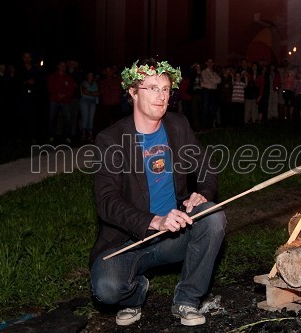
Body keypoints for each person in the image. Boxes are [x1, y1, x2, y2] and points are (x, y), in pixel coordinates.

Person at [89, 58, 226, 327]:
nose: (161, 96)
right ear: (132, 92)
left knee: (213, 216)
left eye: (165, 89)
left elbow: (205, 166)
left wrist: (203, 193)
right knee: (106, 288)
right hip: (129, 240)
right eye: (151, 88)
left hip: (174, 234)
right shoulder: (111, 139)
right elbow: (107, 202)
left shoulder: (178, 125)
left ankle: (187, 299)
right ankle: (136, 293)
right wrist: (154, 220)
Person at [79, 71, 100, 142]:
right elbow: (85, 91)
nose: (91, 76)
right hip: (84, 101)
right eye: (89, 75)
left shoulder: (95, 84)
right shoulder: (84, 83)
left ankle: (90, 135)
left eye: (92, 75)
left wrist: (90, 93)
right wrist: (93, 93)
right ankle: (83, 134)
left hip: (92, 102)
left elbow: (98, 93)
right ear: (87, 76)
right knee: (85, 117)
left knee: (91, 118)